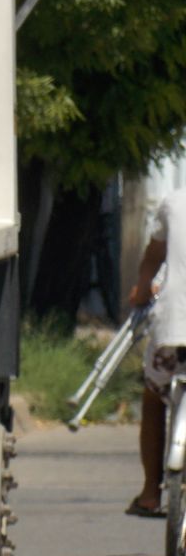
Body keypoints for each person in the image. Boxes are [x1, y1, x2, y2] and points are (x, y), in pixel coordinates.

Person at [127, 187, 186, 517]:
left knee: (153, 398)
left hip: (173, 331)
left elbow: (153, 256)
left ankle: (150, 491)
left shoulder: (175, 201)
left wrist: (140, 293)